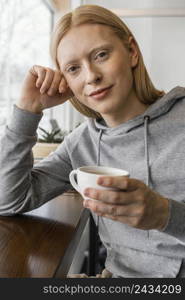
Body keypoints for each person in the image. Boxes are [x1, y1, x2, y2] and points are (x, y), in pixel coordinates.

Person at [0, 4, 185, 278]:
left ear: (131, 52)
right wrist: (28, 109)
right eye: (73, 69)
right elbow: (8, 200)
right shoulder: (82, 142)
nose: (91, 76)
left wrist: (165, 215)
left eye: (101, 55)